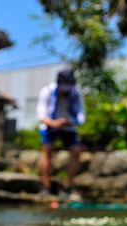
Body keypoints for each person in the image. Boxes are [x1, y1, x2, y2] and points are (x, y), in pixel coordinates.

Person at [36, 69, 85, 201]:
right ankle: (46, 186)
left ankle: (68, 186)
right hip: (49, 124)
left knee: (76, 150)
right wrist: (54, 123)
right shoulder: (47, 91)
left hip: (68, 125)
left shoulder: (76, 93)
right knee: (47, 150)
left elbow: (81, 115)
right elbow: (41, 115)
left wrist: (71, 122)